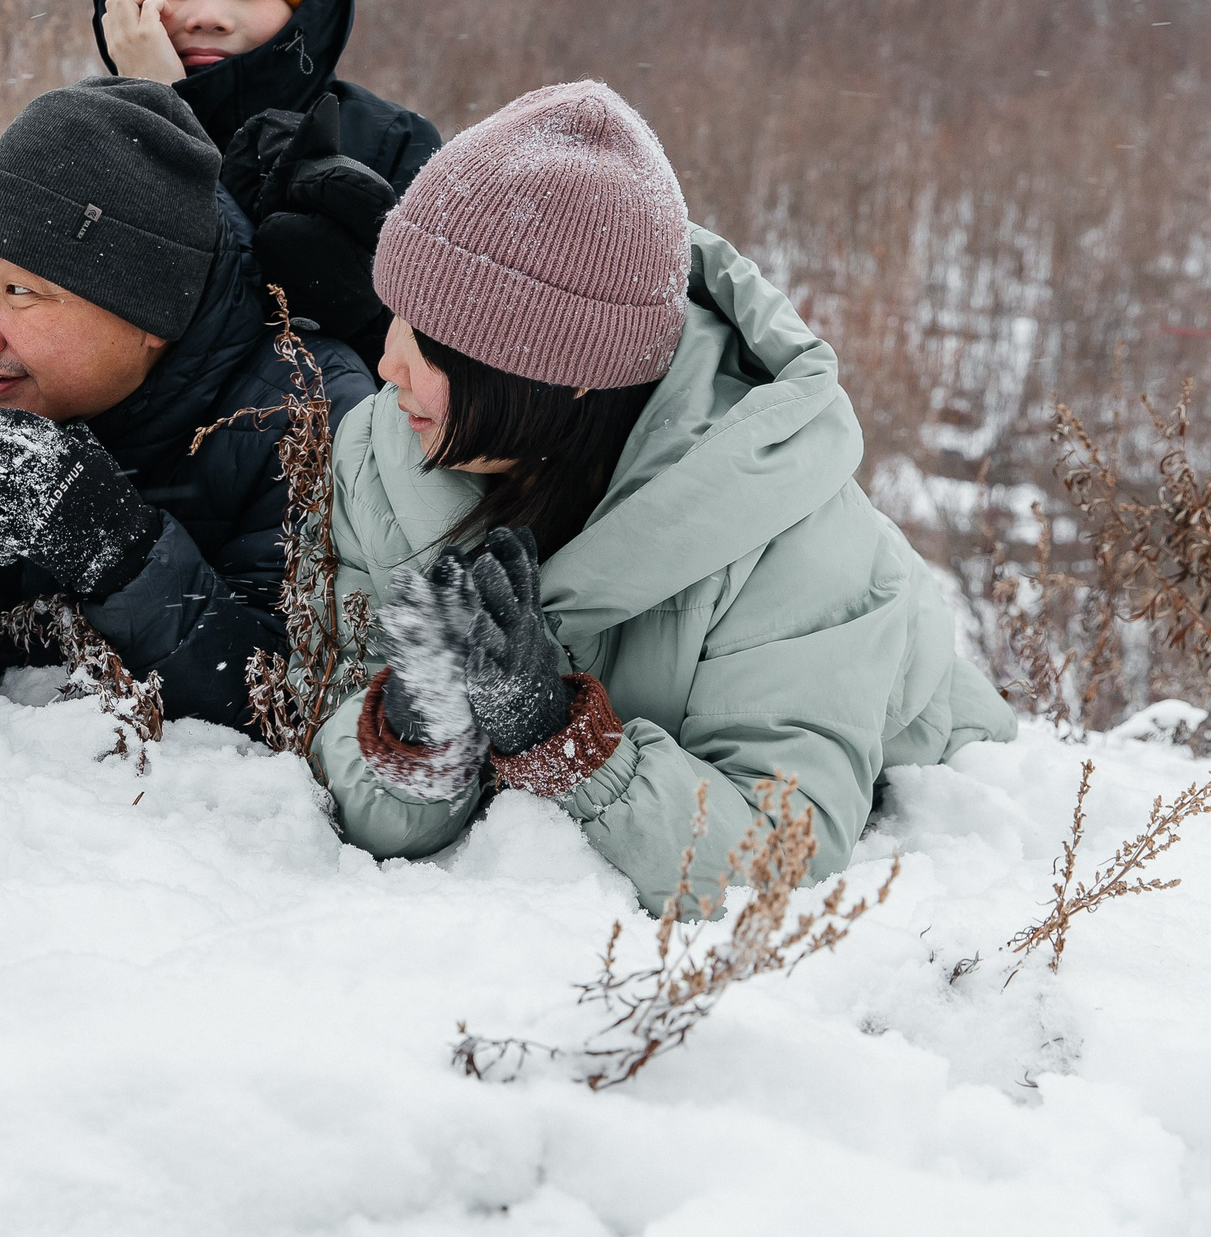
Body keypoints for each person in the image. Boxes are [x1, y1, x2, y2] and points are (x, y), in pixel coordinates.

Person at [307, 80, 1017, 912]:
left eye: (433, 344)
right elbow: (332, 742)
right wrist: (416, 722)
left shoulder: (791, 531)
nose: (387, 365)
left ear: (561, 376)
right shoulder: (379, 451)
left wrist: (563, 741)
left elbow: (783, 856)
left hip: (944, 840)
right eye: (395, 315)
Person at [0, 74, 373, 727]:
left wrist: (128, 560)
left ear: (153, 321)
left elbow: (300, 712)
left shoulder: (298, 413)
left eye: (22, 294)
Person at [92, 0, 443, 372]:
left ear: (306, 8)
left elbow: (436, 362)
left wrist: (355, 302)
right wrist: (154, 104)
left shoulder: (391, 144)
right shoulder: (83, 130)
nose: (208, 16)